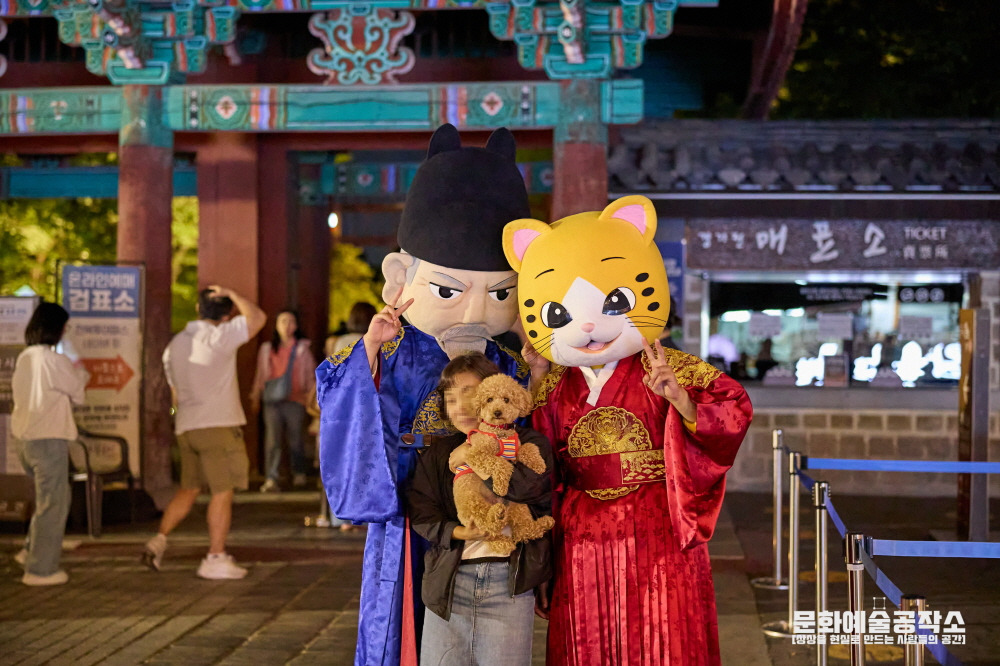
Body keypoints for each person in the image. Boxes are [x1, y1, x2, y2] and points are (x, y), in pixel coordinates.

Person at [316, 124, 538, 666]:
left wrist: (537, 373)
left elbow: (529, 424)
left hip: (486, 500)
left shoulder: (507, 359)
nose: (475, 309)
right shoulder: (393, 347)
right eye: (448, 290)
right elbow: (340, 392)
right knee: (407, 620)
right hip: (411, 503)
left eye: (500, 292)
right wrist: (370, 349)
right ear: (399, 278)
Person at [502, 195, 752, 665]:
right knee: (587, 637)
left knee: (664, 634)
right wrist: (534, 380)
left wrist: (681, 400)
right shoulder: (552, 382)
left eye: (613, 303)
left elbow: (733, 408)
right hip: (580, 535)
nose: (589, 326)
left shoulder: (669, 366)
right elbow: (532, 453)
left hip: (656, 526)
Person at [407, 353, 553, 666]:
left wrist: (474, 455)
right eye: (450, 398)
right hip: (450, 583)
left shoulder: (528, 442)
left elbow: (531, 489)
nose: (460, 406)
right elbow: (421, 512)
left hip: (509, 582)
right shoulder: (440, 452)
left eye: (469, 393)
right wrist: (459, 532)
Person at [142, 285, 266, 579]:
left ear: (198, 309)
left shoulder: (175, 345)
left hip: (187, 426)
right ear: (226, 315)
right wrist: (234, 293)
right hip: (217, 425)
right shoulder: (221, 335)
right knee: (222, 491)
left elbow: (174, 393)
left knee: (189, 489)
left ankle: (158, 541)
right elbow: (258, 318)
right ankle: (215, 556)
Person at [10, 302, 89, 586]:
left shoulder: (25, 357)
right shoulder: (55, 361)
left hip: (24, 439)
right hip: (48, 440)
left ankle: (30, 551)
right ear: (57, 328)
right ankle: (40, 570)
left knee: (47, 500)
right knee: (53, 503)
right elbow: (79, 393)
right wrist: (81, 370)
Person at [251, 309, 317, 492]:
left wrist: (311, 398)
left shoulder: (302, 349)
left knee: (296, 439)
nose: (287, 325)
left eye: (291, 321)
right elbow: (260, 375)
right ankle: (271, 477)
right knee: (273, 440)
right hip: (272, 400)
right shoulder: (267, 349)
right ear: (276, 325)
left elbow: (310, 375)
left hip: (296, 399)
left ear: (296, 326)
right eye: (283, 321)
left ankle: (298, 473)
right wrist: (255, 396)